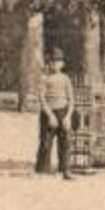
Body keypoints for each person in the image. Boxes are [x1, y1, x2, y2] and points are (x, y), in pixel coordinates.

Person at [34, 47, 75, 180]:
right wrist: (50, 115)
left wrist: (68, 116)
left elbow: (71, 99)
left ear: (62, 64)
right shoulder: (44, 79)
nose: (54, 64)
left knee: (65, 142)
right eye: (52, 62)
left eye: (58, 61)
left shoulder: (65, 79)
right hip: (48, 113)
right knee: (45, 142)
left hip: (63, 111)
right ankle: (42, 170)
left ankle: (65, 169)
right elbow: (41, 98)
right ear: (48, 63)